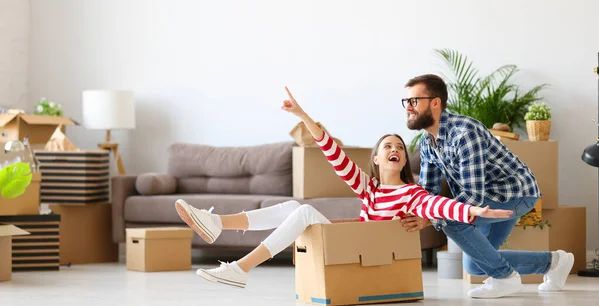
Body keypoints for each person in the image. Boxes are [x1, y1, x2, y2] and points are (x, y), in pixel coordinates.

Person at [174, 87, 514, 289]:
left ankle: (241, 268)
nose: (395, 149)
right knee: (295, 207)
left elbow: (440, 207)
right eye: (387, 147)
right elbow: (331, 151)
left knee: (303, 210)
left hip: (367, 257)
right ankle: (220, 228)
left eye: (399, 146)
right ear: (377, 160)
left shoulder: (412, 194)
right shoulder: (369, 189)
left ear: (403, 160)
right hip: (351, 251)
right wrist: (303, 113)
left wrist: (473, 210)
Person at [400, 74, 574, 298]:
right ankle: (555, 262)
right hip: (490, 198)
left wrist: (432, 218)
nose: (408, 108)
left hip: (516, 193)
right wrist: (414, 211)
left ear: (435, 102)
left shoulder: (464, 132)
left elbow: (473, 195)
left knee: (450, 219)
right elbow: (429, 193)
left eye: (414, 101)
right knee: (475, 264)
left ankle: (505, 278)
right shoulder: (427, 143)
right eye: (406, 102)